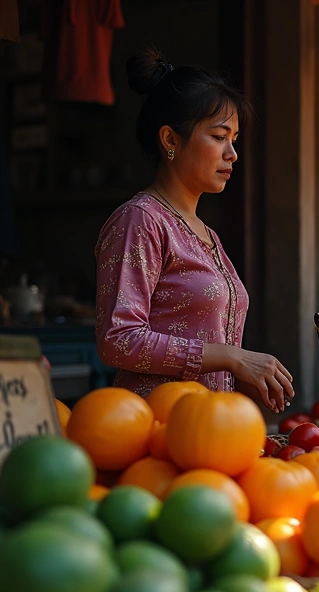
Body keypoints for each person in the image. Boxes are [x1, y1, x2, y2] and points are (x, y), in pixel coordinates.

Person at [95, 48, 294, 411]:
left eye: (234, 139)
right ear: (170, 140)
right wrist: (232, 357)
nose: (232, 153)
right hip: (154, 431)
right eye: (219, 136)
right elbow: (118, 338)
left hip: (210, 429)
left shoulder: (206, 234)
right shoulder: (140, 220)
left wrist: (240, 378)